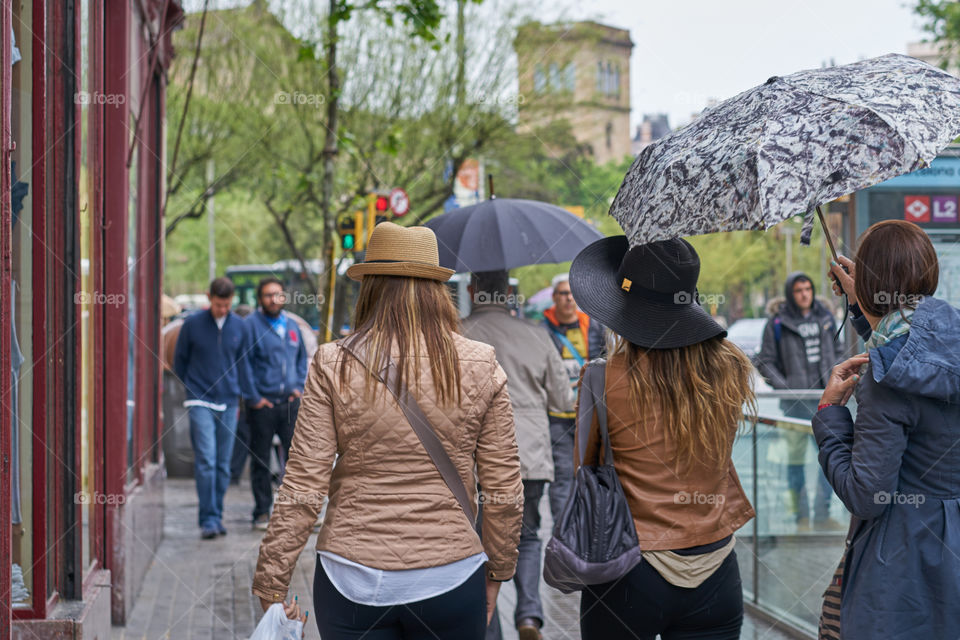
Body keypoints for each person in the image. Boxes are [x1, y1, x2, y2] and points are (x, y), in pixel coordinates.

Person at [252, 222, 524, 640]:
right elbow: (503, 485)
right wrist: (499, 571)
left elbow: (304, 483)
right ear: (438, 289)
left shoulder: (333, 363)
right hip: (451, 574)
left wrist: (272, 582)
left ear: (371, 287)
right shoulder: (480, 362)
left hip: (351, 577)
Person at [568, 236, 756, 640]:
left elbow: (584, 468)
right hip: (717, 570)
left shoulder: (601, 378)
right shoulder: (730, 369)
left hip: (630, 572)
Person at [814, 220, 960, 638]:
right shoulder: (950, 334)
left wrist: (830, 414)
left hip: (903, 569)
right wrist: (863, 308)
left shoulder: (884, 377)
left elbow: (868, 494)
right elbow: (914, 348)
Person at [462, 270, 572, 640]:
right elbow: (561, 401)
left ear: (473, 290)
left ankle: (489, 629)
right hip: (530, 454)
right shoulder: (537, 335)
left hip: (474, 460)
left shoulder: (455, 334)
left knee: (476, 544)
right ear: (508, 293)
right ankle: (528, 615)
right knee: (526, 538)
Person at [756, 272, 844, 530]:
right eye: (798, 290)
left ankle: (822, 515)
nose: (805, 294)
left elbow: (838, 352)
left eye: (808, 288)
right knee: (795, 464)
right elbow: (765, 361)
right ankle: (802, 518)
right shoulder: (777, 323)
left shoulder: (825, 318)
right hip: (794, 406)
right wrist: (786, 387)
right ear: (790, 294)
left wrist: (835, 381)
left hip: (825, 403)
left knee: (829, 460)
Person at [174, 277, 256, 539]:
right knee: (207, 460)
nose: (223, 309)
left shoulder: (239, 327)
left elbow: (244, 364)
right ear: (209, 298)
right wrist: (192, 388)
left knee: (223, 465)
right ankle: (208, 519)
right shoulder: (192, 324)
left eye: (227, 305)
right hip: (199, 399)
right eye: (219, 304)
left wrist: (249, 396)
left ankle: (217, 515)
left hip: (230, 401)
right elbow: (180, 361)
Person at [243, 277, 308, 530]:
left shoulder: (291, 325)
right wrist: (254, 398)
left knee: (295, 460)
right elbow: (244, 365)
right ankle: (261, 511)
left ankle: (295, 512)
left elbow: (301, 359)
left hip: (290, 404)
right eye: (269, 295)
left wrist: (298, 388)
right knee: (260, 459)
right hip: (263, 405)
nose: (274, 299)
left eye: (278, 294)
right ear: (260, 299)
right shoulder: (251, 326)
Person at [541, 273, 606, 522]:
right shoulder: (543, 330)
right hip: (557, 416)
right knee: (563, 475)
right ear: (554, 298)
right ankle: (563, 529)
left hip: (590, 414)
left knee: (593, 471)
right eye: (562, 294)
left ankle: (591, 525)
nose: (568, 298)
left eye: (571, 294)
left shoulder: (595, 327)